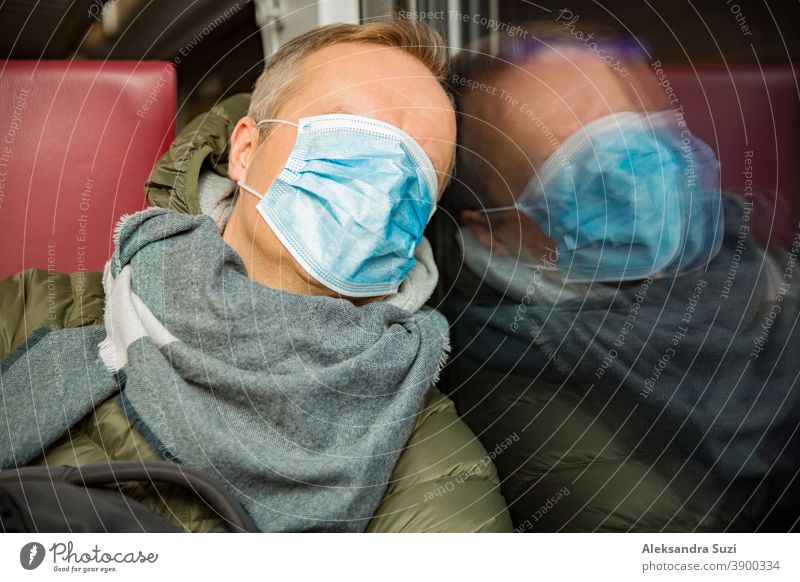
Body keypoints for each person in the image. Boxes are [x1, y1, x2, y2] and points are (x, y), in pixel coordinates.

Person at [0, 20, 511, 533]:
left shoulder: (431, 462)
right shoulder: (29, 309)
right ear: (246, 151)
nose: (377, 192)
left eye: (414, 179)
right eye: (353, 136)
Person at [437, 26, 800, 531]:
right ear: (494, 233)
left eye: (627, 126)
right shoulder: (558, 441)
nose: (631, 179)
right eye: (568, 155)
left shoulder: (736, 254)